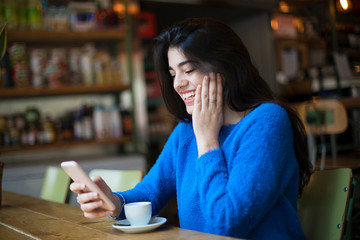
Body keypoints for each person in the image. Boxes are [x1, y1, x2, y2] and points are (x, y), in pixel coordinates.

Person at [70, 17, 312, 239]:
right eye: (173, 73)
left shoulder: (266, 121)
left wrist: (207, 141)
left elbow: (226, 225)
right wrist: (114, 202)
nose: (178, 83)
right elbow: (149, 192)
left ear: (226, 66)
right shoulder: (187, 131)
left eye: (189, 70)